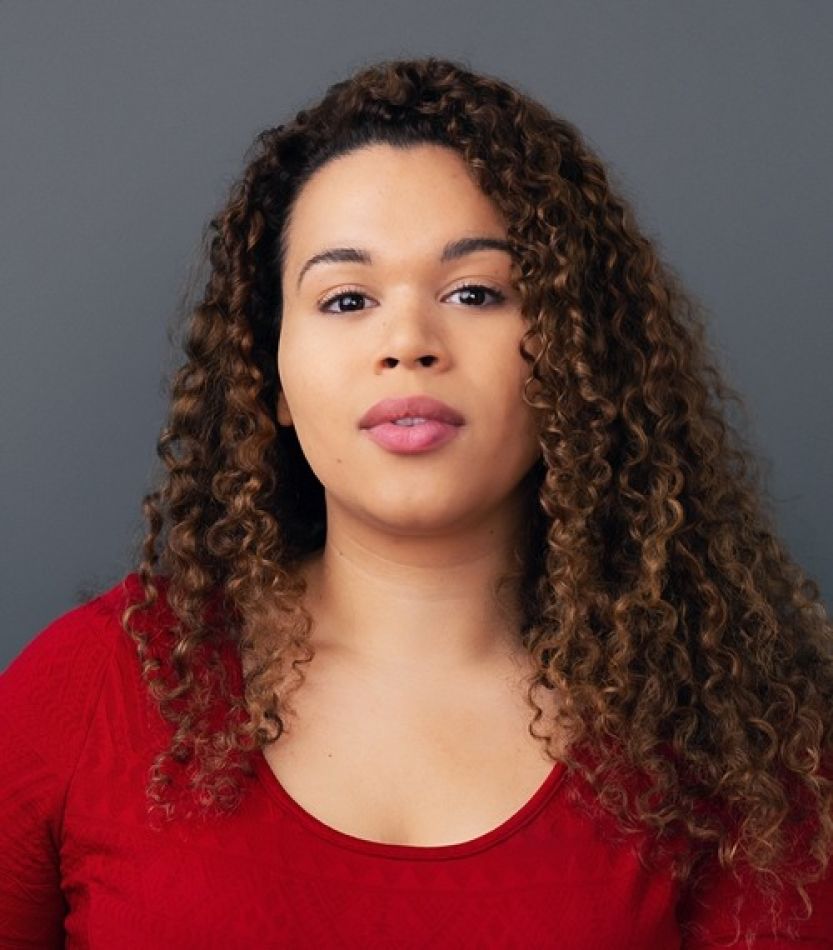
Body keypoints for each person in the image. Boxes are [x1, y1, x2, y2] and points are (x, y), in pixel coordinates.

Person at [1, 56, 832, 949]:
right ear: (268, 376)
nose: (407, 342)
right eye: (345, 299)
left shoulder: (738, 744)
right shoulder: (86, 691)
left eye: (475, 293)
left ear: (573, 358)